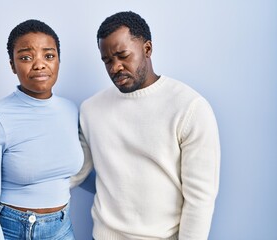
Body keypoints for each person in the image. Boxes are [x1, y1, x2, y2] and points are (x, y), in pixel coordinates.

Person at [71, 11, 220, 240]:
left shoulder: (190, 108)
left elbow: (200, 200)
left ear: (147, 49)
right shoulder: (92, 109)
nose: (115, 68)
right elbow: (75, 171)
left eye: (123, 56)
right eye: (107, 60)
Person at [0, 19, 83, 240]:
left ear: (59, 60)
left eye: (48, 56)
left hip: (63, 227)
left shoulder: (70, 110)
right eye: (26, 57)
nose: (39, 64)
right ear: (12, 65)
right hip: (15, 231)